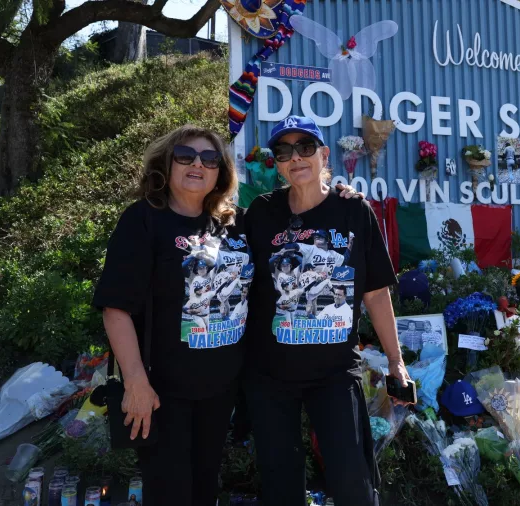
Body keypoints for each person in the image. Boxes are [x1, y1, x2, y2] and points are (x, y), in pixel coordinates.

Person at [243, 115, 409, 506]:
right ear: (277, 162)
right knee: (280, 484)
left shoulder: (353, 211)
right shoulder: (260, 214)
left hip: (334, 372)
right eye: (283, 151)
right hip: (270, 374)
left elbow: (375, 292)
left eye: (304, 148)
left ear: (323, 154)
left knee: (352, 480)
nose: (294, 158)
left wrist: (395, 360)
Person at [93, 125, 251, 506]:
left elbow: (297, 220)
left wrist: (340, 196)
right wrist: (135, 383)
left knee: (205, 489)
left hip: (220, 389)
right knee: (170, 493)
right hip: (163, 393)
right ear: (167, 162)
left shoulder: (236, 223)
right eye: (186, 155)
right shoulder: (144, 220)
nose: (198, 163)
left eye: (210, 158)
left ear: (220, 172)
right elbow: (116, 309)